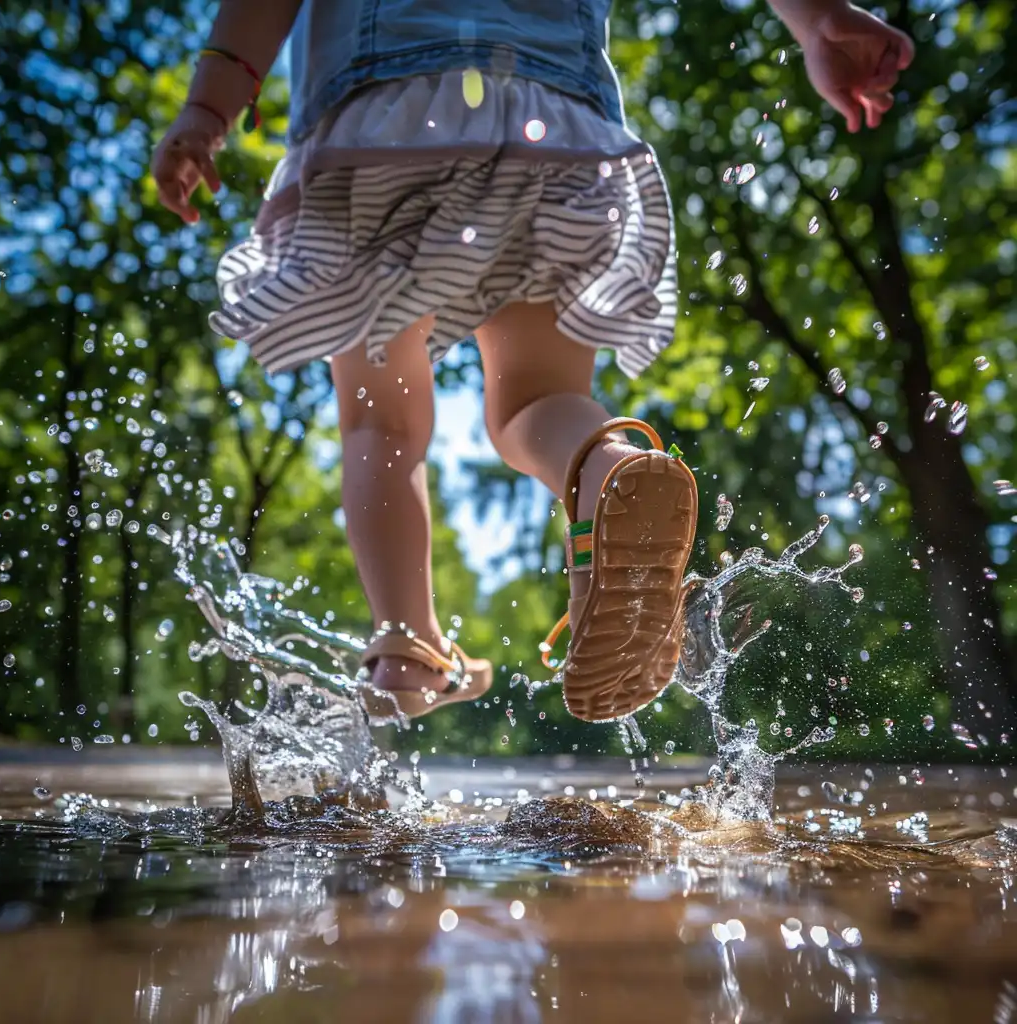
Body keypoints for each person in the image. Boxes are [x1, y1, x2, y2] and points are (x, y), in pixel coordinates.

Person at [152, 0, 914, 723]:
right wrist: (816, 18)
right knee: (533, 403)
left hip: (377, 128)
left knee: (380, 423)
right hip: (557, 125)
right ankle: (604, 470)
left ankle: (406, 645)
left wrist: (207, 111)